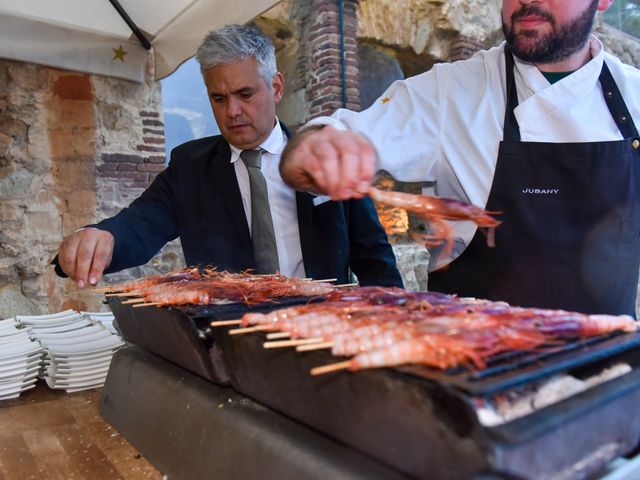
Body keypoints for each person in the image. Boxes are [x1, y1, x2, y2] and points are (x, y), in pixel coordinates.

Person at [280, 0, 640, 316]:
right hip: (475, 372)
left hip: (610, 375)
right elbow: (322, 144)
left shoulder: (634, 96)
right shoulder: (448, 93)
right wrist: (315, 148)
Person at [53, 24, 402, 289]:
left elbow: (372, 255)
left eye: (245, 94)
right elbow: (140, 225)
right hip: (229, 338)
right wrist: (102, 236)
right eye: (218, 98)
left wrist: (396, 320)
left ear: (276, 87)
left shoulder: (325, 154)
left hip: (322, 330)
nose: (232, 111)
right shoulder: (189, 166)